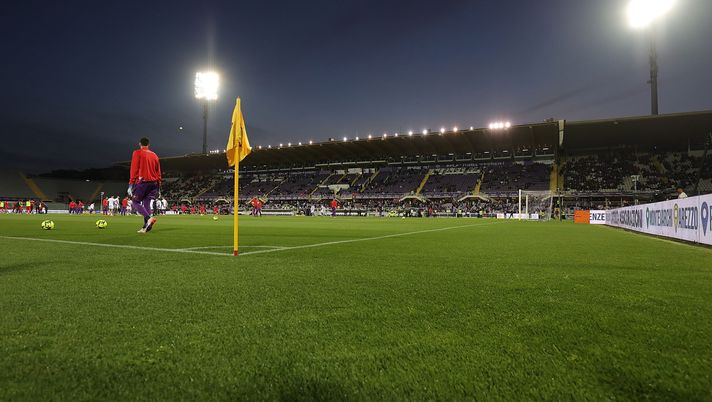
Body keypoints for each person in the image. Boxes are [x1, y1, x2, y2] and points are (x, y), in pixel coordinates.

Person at [128, 137, 162, 233]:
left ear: (140, 144)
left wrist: (131, 183)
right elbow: (158, 171)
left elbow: (134, 168)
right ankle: (145, 227)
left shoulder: (137, 153)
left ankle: (148, 218)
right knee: (147, 203)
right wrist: (159, 186)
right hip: (154, 183)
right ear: (149, 144)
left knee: (135, 202)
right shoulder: (155, 155)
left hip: (143, 182)